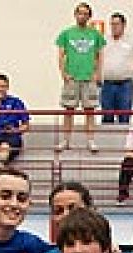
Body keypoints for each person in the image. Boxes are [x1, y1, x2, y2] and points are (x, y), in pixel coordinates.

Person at [56, 2, 106, 153]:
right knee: (68, 110)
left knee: (90, 110)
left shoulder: (95, 35)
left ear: (89, 16)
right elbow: (60, 54)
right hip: (72, 77)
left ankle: (90, 141)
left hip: (89, 78)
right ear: (75, 15)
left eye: (85, 13)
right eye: (79, 13)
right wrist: (63, 73)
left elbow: (99, 56)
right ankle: (66, 140)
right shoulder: (66, 33)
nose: (82, 16)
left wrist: (97, 74)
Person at [0, 74, 29, 165]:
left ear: (7, 87)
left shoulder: (16, 102)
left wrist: (16, 130)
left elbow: (26, 125)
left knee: (5, 147)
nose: (0, 89)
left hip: (12, 136)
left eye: (3, 86)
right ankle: (0, 163)